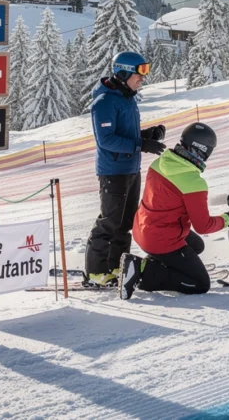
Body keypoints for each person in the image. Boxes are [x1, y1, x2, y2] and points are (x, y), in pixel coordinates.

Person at [120, 123, 229, 299]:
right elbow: (203, 226)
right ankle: (142, 270)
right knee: (200, 284)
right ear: (204, 150)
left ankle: (157, 262)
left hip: (143, 228)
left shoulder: (160, 162)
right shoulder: (193, 182)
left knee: (196, 245)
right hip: (161, 239)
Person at [83, 51, 167, 286]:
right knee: (109, 221)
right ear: (123, 72)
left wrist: (147, 135)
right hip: (113, 171)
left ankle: (117, 267)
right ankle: (95, 272)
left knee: (125, 222)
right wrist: (142, 144)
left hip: (130, 168)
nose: (143, 78)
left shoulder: (126, 98)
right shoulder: (105, 102)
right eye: (139, 73)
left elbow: (125, 135)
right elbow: (107, 140)